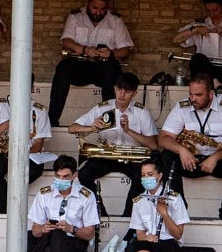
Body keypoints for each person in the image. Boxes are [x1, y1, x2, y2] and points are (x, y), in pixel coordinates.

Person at [157, 72, 222, 221]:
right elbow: (163, 138)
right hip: (191, 161)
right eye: (191, 94)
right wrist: (181, 150)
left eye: (198, 95)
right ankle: (178, 208)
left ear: (211, 94)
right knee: (166, 156)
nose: (193, 99)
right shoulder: (182, 107)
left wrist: (215, 157)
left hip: (218, 161)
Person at [68, 72, 159, 216]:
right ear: (114, 88)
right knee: (84, 175)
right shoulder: (102, 108)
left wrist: (129, 131)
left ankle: (128, 217)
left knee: (142, 179)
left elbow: (154, 145)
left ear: (135, 93)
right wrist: (91, 128)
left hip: (132, 158)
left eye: (127, 91)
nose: (122, 94)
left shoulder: (141, 112)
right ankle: (100, 214)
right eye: (119, 89)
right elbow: (72, 128)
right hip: (106, 156)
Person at [49, 0, 135, 127]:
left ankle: (109, 121)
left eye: (103, 9)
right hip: (79, 65)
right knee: (63, 68)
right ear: (88, 3)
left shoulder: (115, 20)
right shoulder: (75, 16)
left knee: (113, 70)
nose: (98, 12)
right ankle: (52, 120)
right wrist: (83, 49)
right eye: (95, 8)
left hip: (103, 68)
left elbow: (125, 49)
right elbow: (66, 40)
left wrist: (111, 53)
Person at [27, 155, 100, 252]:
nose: (61, 180)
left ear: (75, 175)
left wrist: (71, 229)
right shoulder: (44, 194)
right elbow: (35, 231)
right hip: (45, 240)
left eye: (66, 176)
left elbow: (90, 233)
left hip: (74, 244)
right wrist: (44, 228)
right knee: (55, 234)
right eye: (58, 176)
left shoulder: (86, 196)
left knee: (51, 249)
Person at [113, 158, 189, 252]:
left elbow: (178, 234)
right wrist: (146, 237)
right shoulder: (139, 201)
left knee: (136, 247)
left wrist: (164, 214)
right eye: (143, 175)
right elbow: (139, 234)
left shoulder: (174, 199)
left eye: (150, 175)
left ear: (159, 176)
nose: (146, 178)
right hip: (147, 244)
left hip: (169, 246)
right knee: (135, 245)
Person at [0, 94, 51, 214]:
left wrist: (20, 153)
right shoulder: (0, 105)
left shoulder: (39, 110)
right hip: (3, 152)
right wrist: (8, 124)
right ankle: (4, 211)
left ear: (32, 88)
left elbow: (38, 144)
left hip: (29, 153)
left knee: (34, 171)